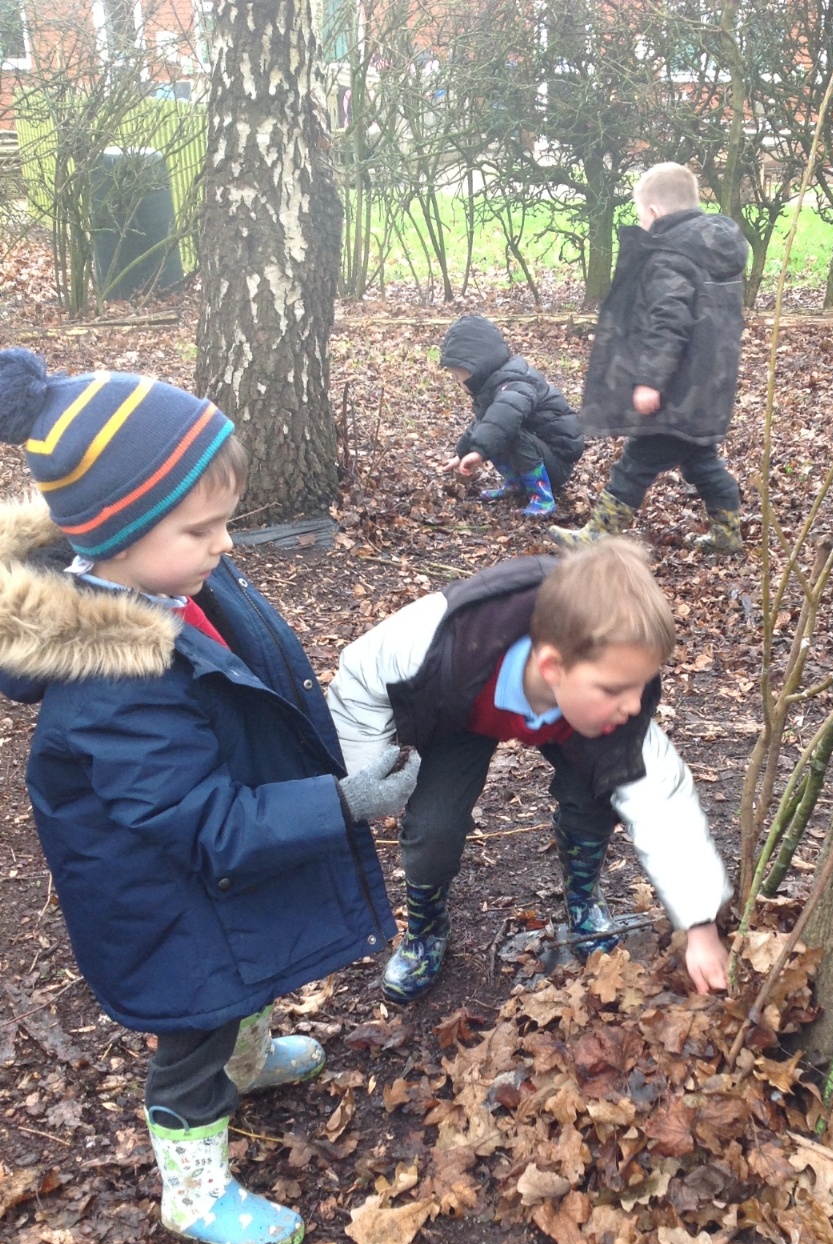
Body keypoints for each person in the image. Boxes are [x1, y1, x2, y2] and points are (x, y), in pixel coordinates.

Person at [0, 348, 418, 1244]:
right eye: (202, 529)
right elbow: (203, 822)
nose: (224, 545)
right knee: (198, 1028)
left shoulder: (176, 577)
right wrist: (341, 803)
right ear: (119, 530)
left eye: (224, 522)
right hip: (167, 898)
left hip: (218, 875)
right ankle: (193, 1191)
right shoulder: (112, 678)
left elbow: (257, 680)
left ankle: (249, 1058)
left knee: (248, 970)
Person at [327, 538, 731, 1003]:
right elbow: (361, 675)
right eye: (616, 689)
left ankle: (582, 899)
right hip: (463, 709)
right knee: (433, 826)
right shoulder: (441, 638)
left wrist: (700, 925)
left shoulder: (613, 695)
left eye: (641, 686)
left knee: (600, 792)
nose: (635, 705)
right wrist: (366, 776)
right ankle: (426, 927)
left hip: (573, 718)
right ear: (553, 666)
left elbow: (663, 803)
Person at [555, 162, 748, 556]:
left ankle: (599, 535)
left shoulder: (670, 258)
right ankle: (727, 536)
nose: (642, 223)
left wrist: (650, 381)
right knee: (701, 462)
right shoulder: (713, 252)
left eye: (641, 214)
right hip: (708, 386)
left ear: (656, 212)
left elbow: (668, 323)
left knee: (636, 461)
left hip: (675, 388)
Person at [440, 314, 586, 519]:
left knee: (507, 433)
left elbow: (502, 420)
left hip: (557, 463)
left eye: (458, 376)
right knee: (494, 434)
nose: (457, 383)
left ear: (475, 369)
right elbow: (485, 423)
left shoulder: (515, 382)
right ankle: (516, 484)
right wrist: (462, 453)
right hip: (540, 454)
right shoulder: (493, 385)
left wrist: (480, 451)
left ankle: (543, 498)